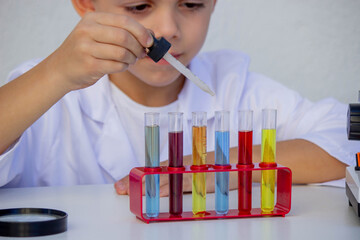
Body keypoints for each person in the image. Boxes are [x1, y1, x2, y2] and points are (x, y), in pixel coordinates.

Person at [0, 0, 356, 193]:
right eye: (139, 7)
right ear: (85, 5)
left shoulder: (237, 86)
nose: (169, 29)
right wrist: (56, 73)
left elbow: (346, 139)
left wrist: (220, 168)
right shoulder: (47, 88)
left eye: (191, 3)